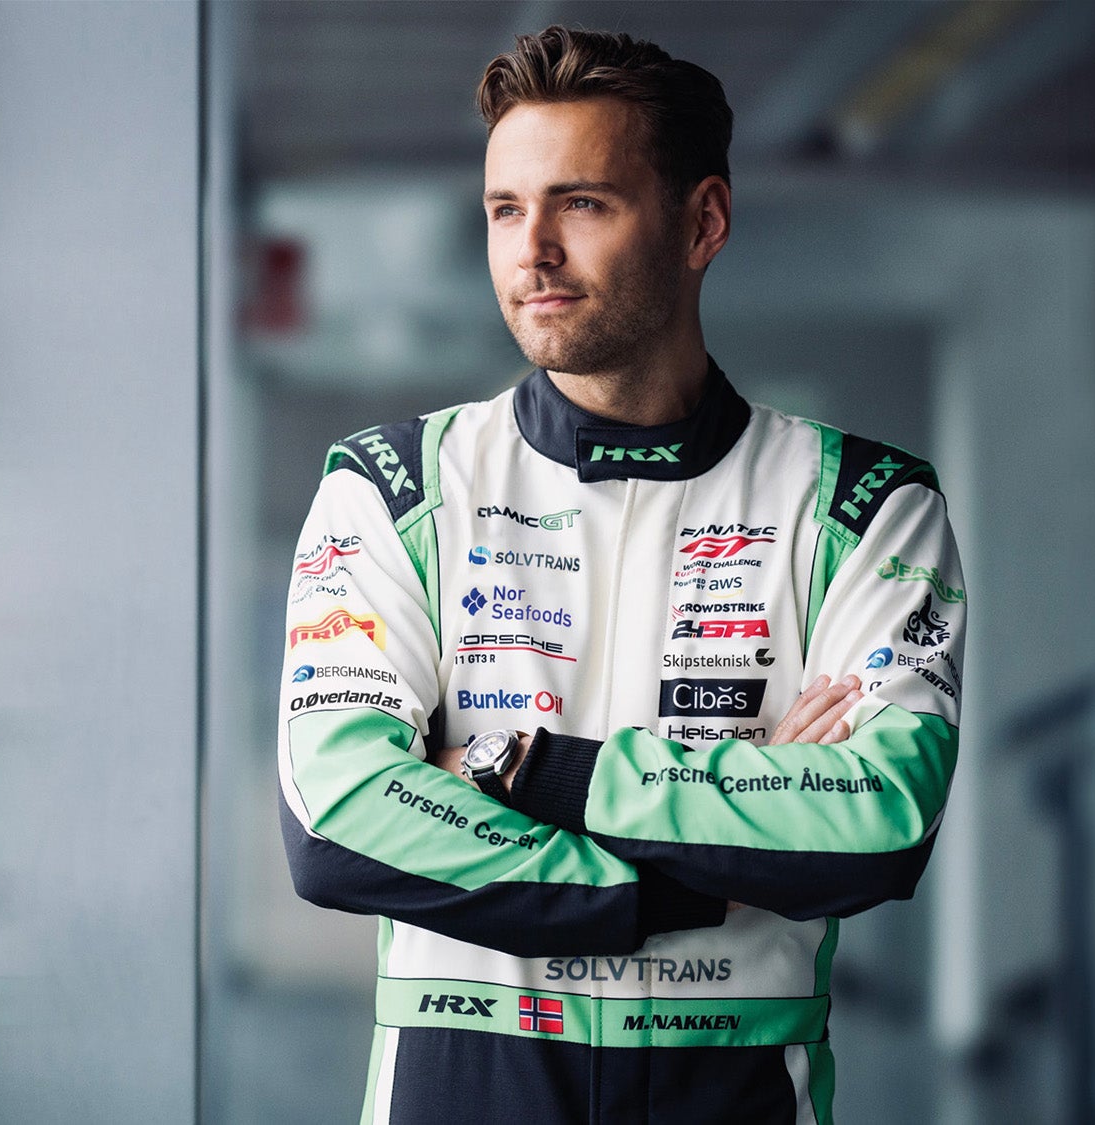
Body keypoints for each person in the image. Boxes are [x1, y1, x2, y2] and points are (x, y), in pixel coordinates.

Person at [276, 25, 964, 1123]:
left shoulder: (865, 505)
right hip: (466, 1082)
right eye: (506, 210)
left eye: (582, 204)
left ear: (702, 222)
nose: (533, 251)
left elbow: (878, 817)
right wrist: (699, 860)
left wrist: (525, 768)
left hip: (734, 1087)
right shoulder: (392, 488)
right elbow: (338, 815)